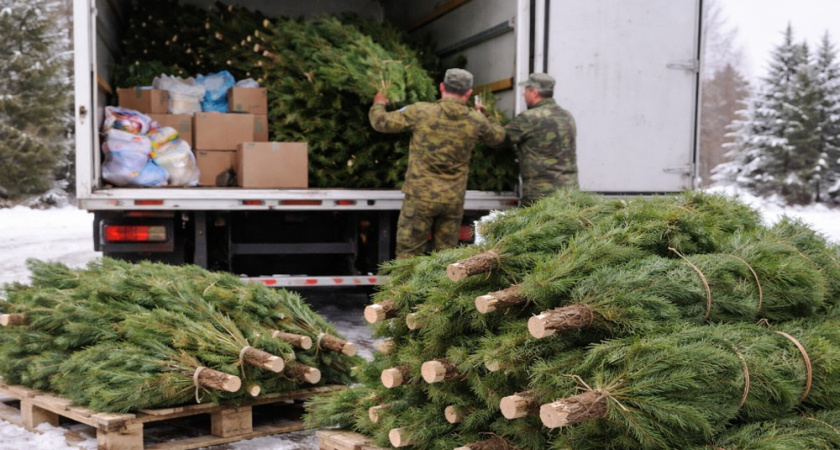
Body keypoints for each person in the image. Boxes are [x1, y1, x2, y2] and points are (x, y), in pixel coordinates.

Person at [369, 68, 505, 259]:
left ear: (442, 87)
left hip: (420, 197)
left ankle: (405, 290)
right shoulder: (475, 120)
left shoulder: (421, 111)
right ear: (468, 93)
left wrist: (379, 103)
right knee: (445, 259)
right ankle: (440, 290)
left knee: (408, 257)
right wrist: (485, 115)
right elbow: (498, 137)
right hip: (452, 201)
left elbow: (381, 122)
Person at [505, 73, 577, 206]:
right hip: (569, 192)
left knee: (538, 227)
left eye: (526, 91)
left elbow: (501, 139)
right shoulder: (567, 116)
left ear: (534, 92)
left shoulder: (529, 118)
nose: (523, 95)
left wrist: (483, 119)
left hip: (540, 194)